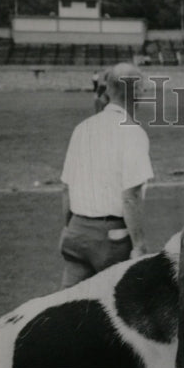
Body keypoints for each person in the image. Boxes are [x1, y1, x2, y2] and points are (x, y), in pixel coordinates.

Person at [59, 62, 153, 288]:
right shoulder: (133, 133)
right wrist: (139, 246)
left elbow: (66, 189)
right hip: (111, 240)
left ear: (109, 90)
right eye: (143, 88)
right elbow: (130, 197)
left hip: (76, 233)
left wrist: (67, 228)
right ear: (136, 92)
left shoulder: (83, 128)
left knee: (67, 309)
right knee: (125, 310)